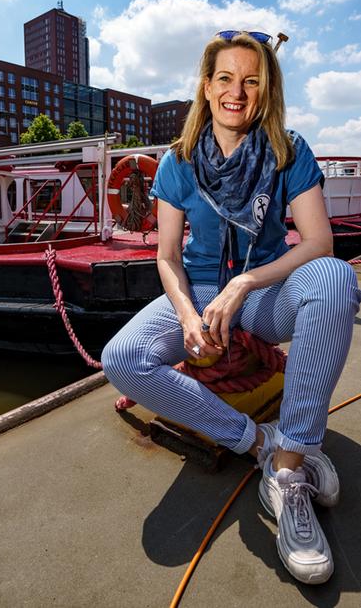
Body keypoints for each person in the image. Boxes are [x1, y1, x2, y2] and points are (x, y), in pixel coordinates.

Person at [101, 30, 361, 585]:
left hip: (262, 294)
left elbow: (317, 243)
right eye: (225, 78)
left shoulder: (289, 150)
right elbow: (168, 257)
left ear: (266, 90)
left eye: (251, 80)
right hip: (196, 293)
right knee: (121, 358)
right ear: (206, 85)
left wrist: (243, 283)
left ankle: (289, 472)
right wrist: (192, 316)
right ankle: (263, 443)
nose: (236, 92)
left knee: (335, 280)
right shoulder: (178, 161)